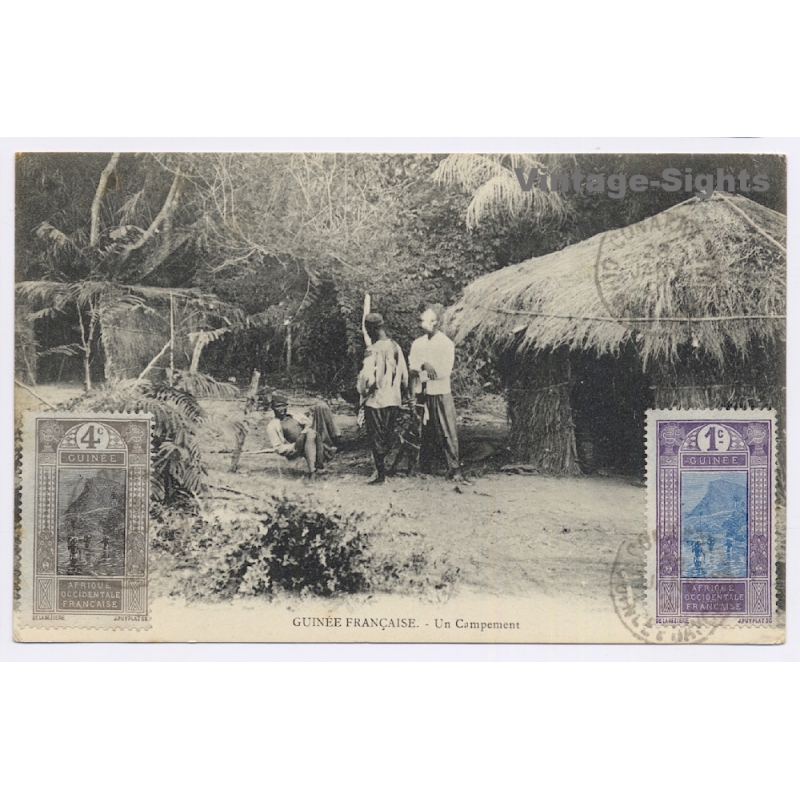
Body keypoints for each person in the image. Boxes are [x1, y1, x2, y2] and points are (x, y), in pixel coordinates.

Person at [408, 303, 464, 481]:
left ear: (436, 322)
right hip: (423, 393)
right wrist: (423, 365)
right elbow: (411, 366)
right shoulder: (418, 343)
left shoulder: (446, 344)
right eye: (422, 319)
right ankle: (424, 467)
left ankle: (455, 469)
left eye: (426, 319)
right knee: (424, 431)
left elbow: (443, 373)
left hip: (440, 393)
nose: (422, 322)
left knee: (447, 430)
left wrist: (422, 372)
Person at [357, 312, 408, 484]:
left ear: (371, 329)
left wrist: (363, 392)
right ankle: (382, 470)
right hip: (393, 398)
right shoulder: (395, 346)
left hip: (376, 400)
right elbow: (404, 375)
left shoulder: (371, 350)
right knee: (387, 434)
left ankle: (380, 474)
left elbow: (367, 378)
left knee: (376, 437)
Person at [266, 391, 340, 479]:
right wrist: (294, 446)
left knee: (321, 406)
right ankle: (312, 471)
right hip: (298, 446)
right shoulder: (272, 425)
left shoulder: (295, 415)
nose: (281, 409)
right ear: (272, 408)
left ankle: (337, 439)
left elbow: (310, 424)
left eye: (283, 405)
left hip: (315, 437)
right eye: (278, 406)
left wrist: (304, 431)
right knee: (310, 434)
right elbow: (278, 447)